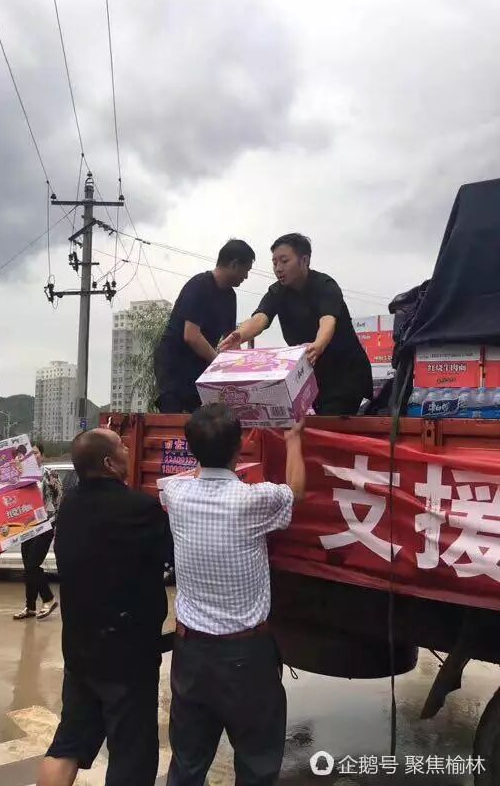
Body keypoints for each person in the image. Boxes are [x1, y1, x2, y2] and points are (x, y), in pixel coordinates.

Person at [161, 404, 305, 786]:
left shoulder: (175, 493)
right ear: (239, 446)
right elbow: (296, 492)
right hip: (246, 656)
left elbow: (191, 476)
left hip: (190, 652)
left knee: (187, 763)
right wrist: (293, 440)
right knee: (257, 765)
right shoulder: (252, 500)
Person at [37, 428, 170, 786]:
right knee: (131, 754)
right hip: (127, 655)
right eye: (123, 447)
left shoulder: (70, 506)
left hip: (79, 650)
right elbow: (172, 556)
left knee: (68, 744)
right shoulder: (140, 508)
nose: (129, 450)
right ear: (110, 463)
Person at [220, 233, 373, 415]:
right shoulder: (277, 292)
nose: (278, 268)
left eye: (284, 261)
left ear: (304, 260)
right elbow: (260, 318)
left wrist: (319, 344)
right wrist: (240, 335)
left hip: (345, 373)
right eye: (275, 263)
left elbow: (328, 320)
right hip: (311, 373)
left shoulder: (325, 286)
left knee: (332, 419)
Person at [154, 239, 256, 413]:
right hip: (175, 363)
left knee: (204, 417)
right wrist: (219, 364)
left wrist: (242, 371)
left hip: (201, 363)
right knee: (173, 416)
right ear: (234, 264)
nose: (246, 277)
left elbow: (231, 340)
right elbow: (191, 335)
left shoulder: (230, 297)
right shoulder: (200, 285)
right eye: (246, 271)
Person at [14, 443, 62, 621]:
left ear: (42, 455)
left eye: (35, 453)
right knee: (28, 568)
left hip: (45, 525)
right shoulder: (19, 477)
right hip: (26, 526)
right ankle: (30, 607)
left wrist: (55, 521)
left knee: (33, 565)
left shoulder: (49, 473)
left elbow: (59, 497)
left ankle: (48, 599)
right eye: (28, 454)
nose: (32, 457)